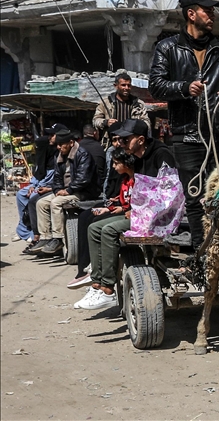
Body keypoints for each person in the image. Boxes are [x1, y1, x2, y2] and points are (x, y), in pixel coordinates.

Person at [149, 0, 219, 251]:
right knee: (195, 196)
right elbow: (156, 86)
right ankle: (201, 250)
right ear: (191, 14)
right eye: (208, 10)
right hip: (187, 135)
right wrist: (184, 88)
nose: (213, 14)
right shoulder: (167, 48)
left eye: (213, 10)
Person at [74, 119, 176, 310]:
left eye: (125, 139)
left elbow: (169, 192)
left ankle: (108, 287)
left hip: (158, 218)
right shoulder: (136, 159)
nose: (121, 143)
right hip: (139, 214)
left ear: (140, 140)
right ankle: (97, 282)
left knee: (109, 230)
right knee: (94, 227)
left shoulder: (161, 154)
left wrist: (139, 210)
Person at [67, 149, 136, 290]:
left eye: (117, 163)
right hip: (126, 213)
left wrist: (126, 210)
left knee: (108, 230)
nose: (114, 167)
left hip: (138, 218)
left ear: (127, 164)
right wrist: (114, 207)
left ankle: (108, 280)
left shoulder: (138, 180)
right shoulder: (125, 180)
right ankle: (96, 276)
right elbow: (125, 201)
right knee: (93, 228)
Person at [30, 130, 98, 256]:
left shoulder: (83, 155)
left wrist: (68, 190)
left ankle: (58, 238)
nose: (58, 147)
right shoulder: (59, 156)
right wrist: (57, 190)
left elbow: (83, 179)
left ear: (71, 143)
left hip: (82, 192)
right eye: (57, 145)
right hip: (66, 191)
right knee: (41, 203)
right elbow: (56, 178)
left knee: (55, 203)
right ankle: (45, 237)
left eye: (61, 144)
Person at [22, 125, 65, 254]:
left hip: (67, 191)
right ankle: (42, 236)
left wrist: (49, 189)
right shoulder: (58, 154)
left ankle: (55, 238)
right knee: (35, 200)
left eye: (52, 136)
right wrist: (45, 187)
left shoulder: (76, 155)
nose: (50, 139)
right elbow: (57, 178)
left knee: (37, 201)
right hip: (57, 188)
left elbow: (75, 180)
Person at [14, 136, 55, 242]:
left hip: (48, 186)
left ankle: (35, 233)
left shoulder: (52, 159)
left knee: (33, 198)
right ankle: (23, 229)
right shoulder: (41, 157)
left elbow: (49, 178)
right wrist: (32, 186)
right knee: (20, 195)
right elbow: (38, 174)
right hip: (38, 184)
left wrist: (36, 187)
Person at [78, 124, 107, 189]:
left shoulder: (77, 146)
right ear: (95, 133)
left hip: (80, 185)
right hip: (98, 185)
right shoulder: (100, 147)